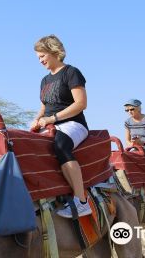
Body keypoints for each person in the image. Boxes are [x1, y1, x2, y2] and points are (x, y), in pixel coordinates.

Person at [30, 35, 91, 218]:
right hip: (49, 124)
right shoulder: (44, 80)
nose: (40, 61)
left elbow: (81, 103)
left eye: (42, 56)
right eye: (38, 58)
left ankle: (82, 201)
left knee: (60, 144)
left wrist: (53, 119)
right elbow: (44, 106)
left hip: (73, 124)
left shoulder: (71, 72)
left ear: (54, 51)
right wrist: (36, 120)